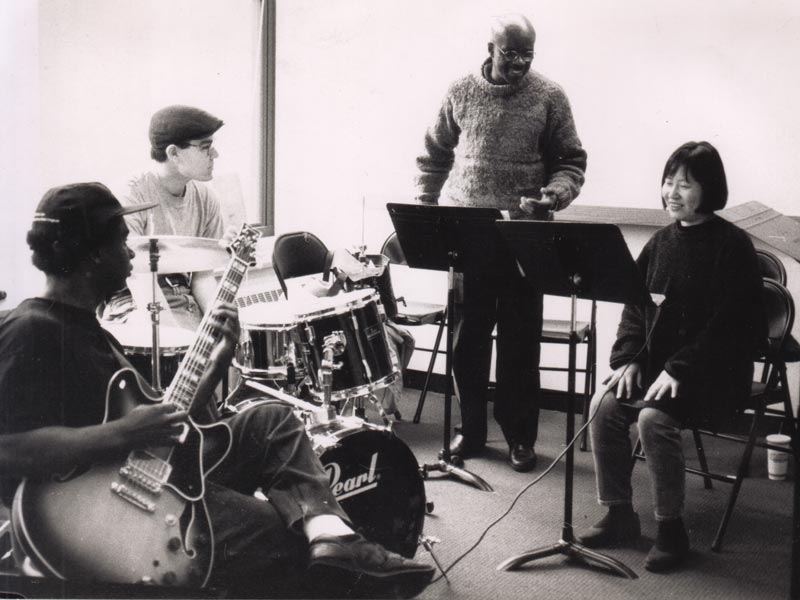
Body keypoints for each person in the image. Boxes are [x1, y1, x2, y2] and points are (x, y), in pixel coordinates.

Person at [0, 183, 435, 598]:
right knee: (281, 536)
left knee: (270, 419)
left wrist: (215, 365)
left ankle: (332, 533)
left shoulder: (91, 331)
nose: (130, 252)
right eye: (120, 241)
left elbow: (169, 421)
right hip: (110, 516)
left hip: (147, 470)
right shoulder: (31, 330)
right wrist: (125, 434)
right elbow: (7, 451)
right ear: (91, 255)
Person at [576, 141, 764, 572]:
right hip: (660, 370)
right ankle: (620, 513)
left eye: (685, 184)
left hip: (714, 374)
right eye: (668, 181)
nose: (672, 192)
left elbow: (734, 327)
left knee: (653, 419)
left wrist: (681, 368)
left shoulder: (732, 246)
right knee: (603, 405)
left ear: (710, 189)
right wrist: (629, 359)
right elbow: (634, 308)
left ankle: (671, 529)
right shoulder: (660, 243)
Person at [414, 14, 587, 471]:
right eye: (511, 54)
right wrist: (427, 206)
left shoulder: (549, 96)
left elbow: (571, 162)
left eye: (528, 55)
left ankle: (520, 438)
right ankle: (470, 432)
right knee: (468, 341)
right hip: (469, 233)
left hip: (524, 235)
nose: (520, 64)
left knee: (520, 341)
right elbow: (433, 154)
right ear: (490, 47)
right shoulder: (460, 91)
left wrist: (555, 193)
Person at [102, 105, 229, 331]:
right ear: (173, 153)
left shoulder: (207, 197)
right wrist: (173, 338)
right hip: (131, 300)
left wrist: (217, 327)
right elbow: (137, 277)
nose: (215, 154)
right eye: (205, 148)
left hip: (182, 296)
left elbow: (202, 276)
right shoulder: (131, 195)